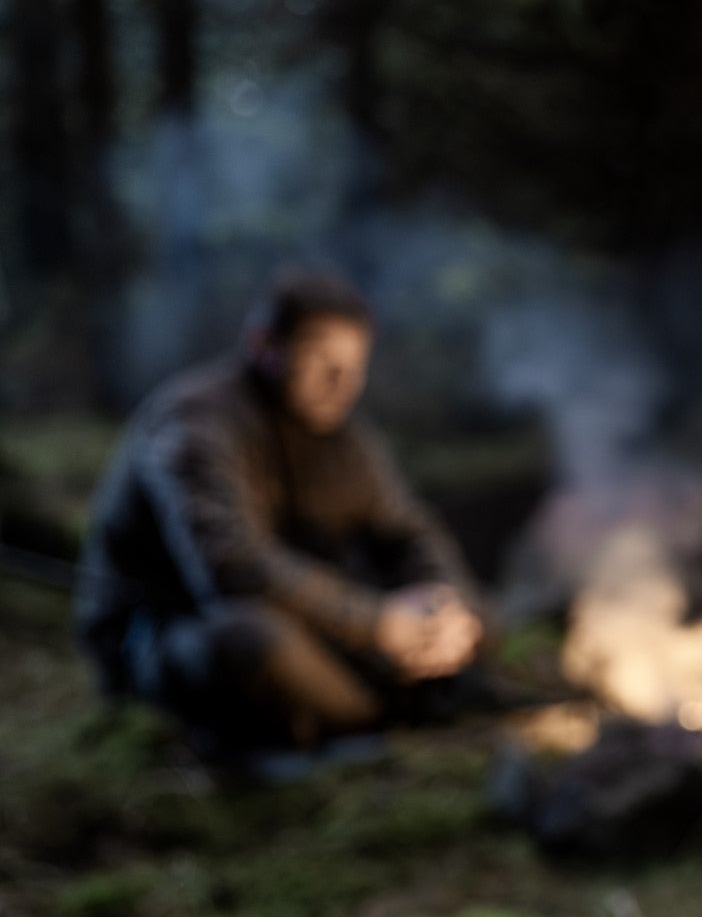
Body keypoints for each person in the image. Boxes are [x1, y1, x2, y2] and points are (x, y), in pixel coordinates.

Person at [76, 269, 487, 756]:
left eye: (354, 364)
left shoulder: (341, 436)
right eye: (320, 359)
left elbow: (406, 529)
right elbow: (231, 567)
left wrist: (447, 604)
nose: (342, 381)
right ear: (263, 344)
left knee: (481, 618)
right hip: (167, 630)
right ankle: (379, 717)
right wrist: (375, 623)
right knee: (252, 643)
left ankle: (366, 709)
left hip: (311, 620)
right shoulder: (196, 422)